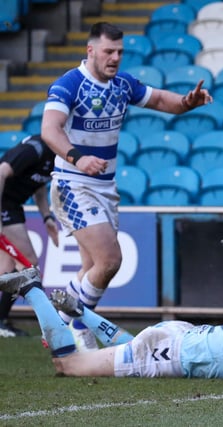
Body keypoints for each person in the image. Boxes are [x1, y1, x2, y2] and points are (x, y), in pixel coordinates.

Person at [39, 22, 212, 350]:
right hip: (74, 183)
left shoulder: (121, 85)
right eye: (108, 51)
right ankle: (76, 325)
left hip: (105, 186)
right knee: (110, 260)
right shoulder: (69, 85)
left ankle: (57, 326)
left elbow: (162, 100)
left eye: (120, 52)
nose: (115, 57)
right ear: (91, 50)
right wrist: (78, 158)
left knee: (92, 267)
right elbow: (50, 129)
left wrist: (188, 101)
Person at [0, 248, 223, 380]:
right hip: (174, 350)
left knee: (120, 349)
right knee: (68, 365)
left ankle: (79, 312)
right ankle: (32, 289)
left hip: (178, 338)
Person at [0, 134, 58, 337]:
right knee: (28, 264)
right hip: (4, 205)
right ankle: (51, 326)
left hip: (13, 206)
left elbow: (39, 187)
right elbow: (0, 172)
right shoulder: (34, 149)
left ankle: (1, 322)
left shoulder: (56, 156)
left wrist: (47, 217)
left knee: (8, 269)